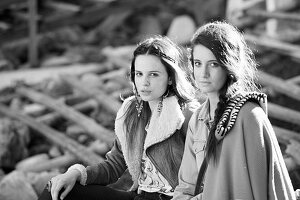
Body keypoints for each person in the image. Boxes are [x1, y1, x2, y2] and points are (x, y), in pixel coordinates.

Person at [38, 35, 199, 200]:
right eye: (139, 74)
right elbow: (114, 165)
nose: (144, 82)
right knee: (56, 191)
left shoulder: (186, 116)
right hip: (138, 197)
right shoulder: (132, 113)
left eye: (154, 75)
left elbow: (207, 176)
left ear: (170, 77)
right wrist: (75, 174)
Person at [172, 21, 297, 200]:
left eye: (213, 64)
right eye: (198, 63)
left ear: (230, 65)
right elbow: (185, 187)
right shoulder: (197, 119)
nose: (203, 73)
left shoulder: (249, 116)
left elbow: (253, 191)